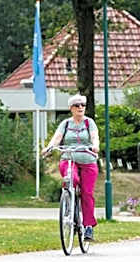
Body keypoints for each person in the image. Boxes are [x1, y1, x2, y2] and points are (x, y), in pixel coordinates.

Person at [42, 94, 100, 241]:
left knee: (87, 193)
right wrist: (49, 147)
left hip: (88, 160)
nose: (80, 107)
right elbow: (57, 138)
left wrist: (95, 146)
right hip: (68, 159)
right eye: (77, 105)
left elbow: (94, 136)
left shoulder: (89, 123)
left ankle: (88, 227)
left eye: (83, 105)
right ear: (71, 108)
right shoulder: (66, 123)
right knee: (71, 180)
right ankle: (69, 206)